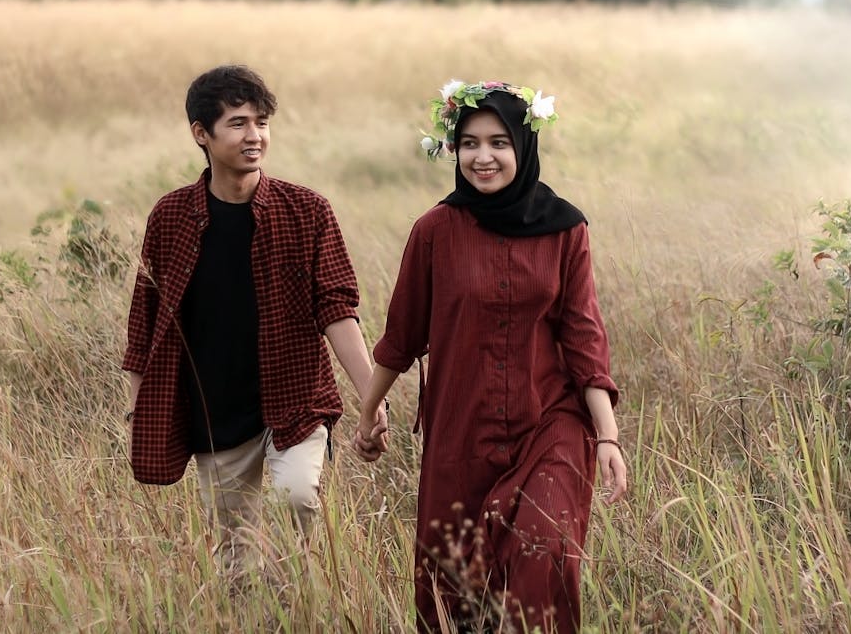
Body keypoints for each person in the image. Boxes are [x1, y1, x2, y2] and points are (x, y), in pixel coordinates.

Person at [354, 80, 629, 632]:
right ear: (454, 151)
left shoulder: (566, 230)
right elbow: (402, 334)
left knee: (542, 551)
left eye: (499, 142)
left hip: (549, 424)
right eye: (470, 143)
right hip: (461, 432)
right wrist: (368, 411)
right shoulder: (435, 230)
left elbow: (583, 337)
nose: (483, 157)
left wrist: (607, 435)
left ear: (523, 148)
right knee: (456, 584)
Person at [122, 64, 386, 576]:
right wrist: (136, 408)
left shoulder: (307, 210)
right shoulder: (171, 216)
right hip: (216, 410)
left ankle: (304, 597)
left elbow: (337, 309)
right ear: (202, 133)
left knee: (297, 497)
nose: (255, 136)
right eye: (239, 123)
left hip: (295, 399)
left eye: (262, 122)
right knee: (235, 553)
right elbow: (145, 320)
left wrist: (371, 399)